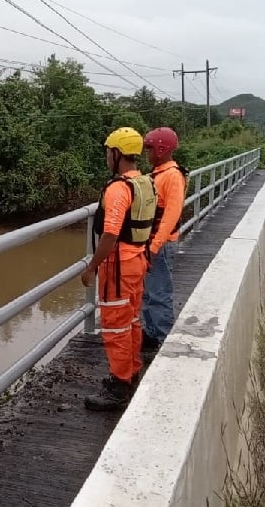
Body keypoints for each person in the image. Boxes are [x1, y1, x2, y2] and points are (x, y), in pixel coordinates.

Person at [81, 127, 157, 411]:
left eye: (107, 152)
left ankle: (119, 386)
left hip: (118, 266)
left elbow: (110, 235)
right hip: (137, 259)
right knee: (132, 321)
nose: (105, 156)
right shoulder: (145, 182)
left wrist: (91, 267)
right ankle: (131, 370)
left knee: (115, 326)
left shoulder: (118, 189)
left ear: (117, 154)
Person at [141, 127, 188, 351]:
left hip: (160, 244)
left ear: (161, 149)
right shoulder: (158, 173)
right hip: (151, 243)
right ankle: (150, 334)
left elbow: (171, 214)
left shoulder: (172, 176)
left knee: (159, 293)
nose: (146, 153)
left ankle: (164, 339)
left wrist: (155, 245)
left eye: (149, 148)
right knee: (149, 293)